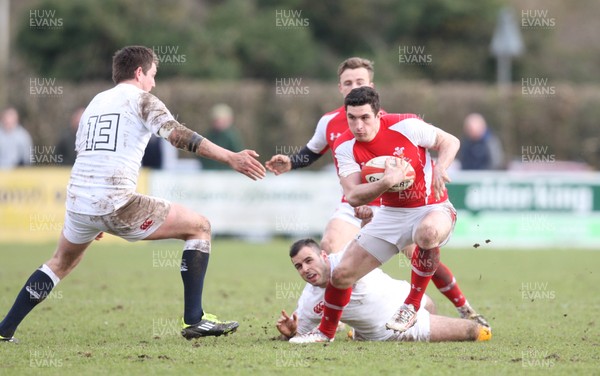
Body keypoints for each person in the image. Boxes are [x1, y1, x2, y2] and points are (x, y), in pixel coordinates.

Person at [0, 45, 266, 343]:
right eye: (152, 74)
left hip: (80, 200)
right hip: (116, 201)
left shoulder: (95, 102)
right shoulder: (142, 100)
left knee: (60, 261)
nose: (154, 82)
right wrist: (231, 157)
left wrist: (95, 216)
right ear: (139, 72)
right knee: (200, 227)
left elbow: (85, 152)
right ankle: (194, 319)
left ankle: (4, 329)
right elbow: (177, 135)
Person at [266, 58, 487, 328]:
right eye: (348, 83)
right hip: (358, 199)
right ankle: (334, 323)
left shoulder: (398, 124)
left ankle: (456, 305)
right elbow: (313, 153)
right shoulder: (331, 125)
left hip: (402, 205)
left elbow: (448, 141)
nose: (353, 87)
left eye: (359, 82)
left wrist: (440, 169)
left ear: (371, 88)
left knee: (423, 244)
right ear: (340, 88)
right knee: (332, 251)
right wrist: (292, 162)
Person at [289, 86, 470, 343]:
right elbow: (352, 195)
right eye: (352, 118)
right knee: (341, 275)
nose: (358, 125)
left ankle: (411, 304)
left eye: (364, 118)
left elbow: (450, 141)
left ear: (378, 115)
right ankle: (324, 334)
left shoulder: (406, 125)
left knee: (427, 234)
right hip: (390, 214)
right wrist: (387, 182)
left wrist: (440, 168)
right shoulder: (344, 146)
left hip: (432, 207)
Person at [277, 239, 491, 342]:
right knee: (476, 331)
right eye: (298, 266)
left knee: (430, 304)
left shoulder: (347, 258)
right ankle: (364, 333)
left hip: (404, 295)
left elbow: (371, 239)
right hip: (393, 328)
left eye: (308, 261)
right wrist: (290, 333)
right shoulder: (308, 303)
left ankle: (357, 332)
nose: (305, 269)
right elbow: (303, 335)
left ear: (324, 256)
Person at [198, 103, 244, 170]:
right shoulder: (208, 135)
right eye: (216, 120)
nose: (218, 123)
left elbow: (238, 155)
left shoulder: (231, 136)